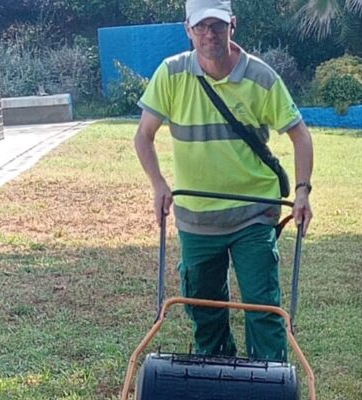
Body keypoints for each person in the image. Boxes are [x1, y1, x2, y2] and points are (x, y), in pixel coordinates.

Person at [132, 0, 314, 362]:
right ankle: (214, 375)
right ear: (188, 29)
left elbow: (300, 135)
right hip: (195, 217)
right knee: (204, 309)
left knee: (262, 307)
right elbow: (143, 136)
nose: (209, 34)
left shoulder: (261, 78)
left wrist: (302, 192)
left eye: (216, 25)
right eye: (200, 27)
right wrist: (158, 184)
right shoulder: (170, 75)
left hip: (253, 215)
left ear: (233, 25)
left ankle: (267, 379)